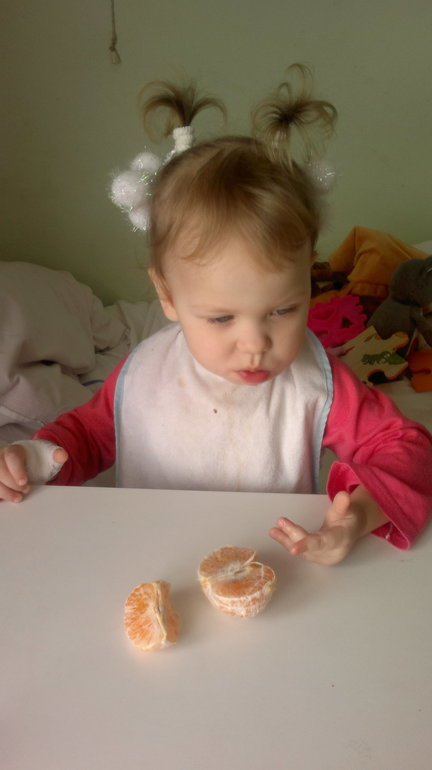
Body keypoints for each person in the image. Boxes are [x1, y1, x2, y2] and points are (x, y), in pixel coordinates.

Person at [1, 65, 431, 565]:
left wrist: (356, 516)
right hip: (153, 562)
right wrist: (35, 458)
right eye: (221, 318)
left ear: (310, 277)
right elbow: (89, 435)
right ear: (167, 296)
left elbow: (406, 447)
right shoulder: (145, 373)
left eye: (283, 309)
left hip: (272, 568)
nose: (255, 343)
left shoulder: (316, 381)